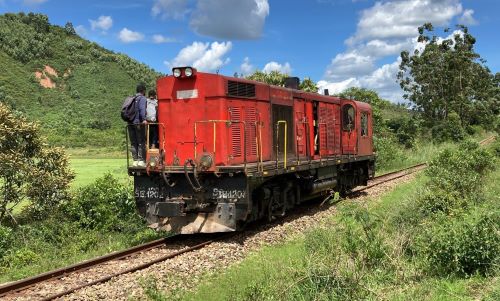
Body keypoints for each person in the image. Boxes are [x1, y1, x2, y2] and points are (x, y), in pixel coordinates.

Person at [129, 83, 148, 167]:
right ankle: (141, 161)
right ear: (143, 91)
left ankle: (135, 161)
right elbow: (141, 109)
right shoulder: (142, 98)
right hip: (138, 123)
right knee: (141, 142)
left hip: (130, 123)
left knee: (133, 142)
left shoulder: (132, 98)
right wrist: (144, 119)